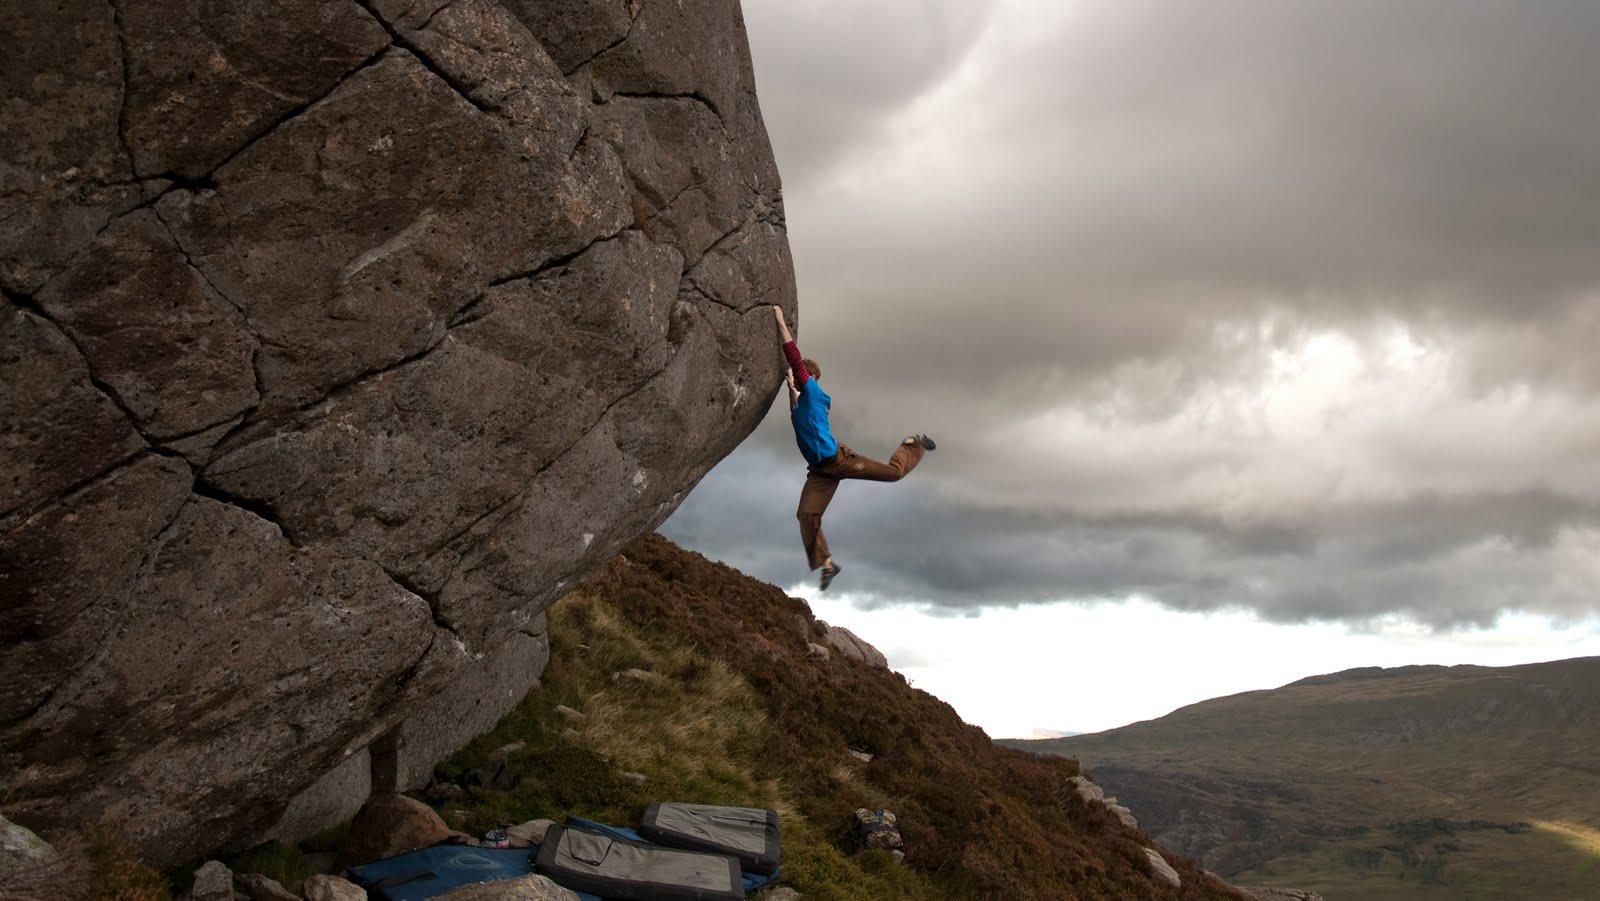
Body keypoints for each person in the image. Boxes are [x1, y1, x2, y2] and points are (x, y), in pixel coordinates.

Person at [772, 306, 934, 590]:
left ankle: (912, 444)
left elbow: (793, 355)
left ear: (807, 378)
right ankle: (827, 565)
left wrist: (779, 319)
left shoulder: (813, 394)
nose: (796, 379)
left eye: (799, 377)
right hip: (820, 472)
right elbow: (795, 403)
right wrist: (788, 387)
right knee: (806, 515)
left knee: (893, 474)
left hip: (839, 459)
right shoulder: (799, 404)